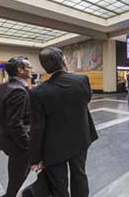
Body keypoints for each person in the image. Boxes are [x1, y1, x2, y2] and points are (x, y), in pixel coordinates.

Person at [29, 47, 98, 197]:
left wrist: (34, 157)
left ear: (44, 67)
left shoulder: (37, 92)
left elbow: (37, 127)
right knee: (79, 175)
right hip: (80, 139)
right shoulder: (82, 80)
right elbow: (85, 100)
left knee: (59, 185)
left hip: (53, 148)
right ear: (64, 60)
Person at [0, 57, 32, 197]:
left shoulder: (1, 88)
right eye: (29, 67)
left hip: (3, 139)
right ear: (20, 70)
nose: (31, 69)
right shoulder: (18, 91)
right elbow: (15, 124)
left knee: (16, 171)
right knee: (18, 175)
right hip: (17, 143)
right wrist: (27, 145)